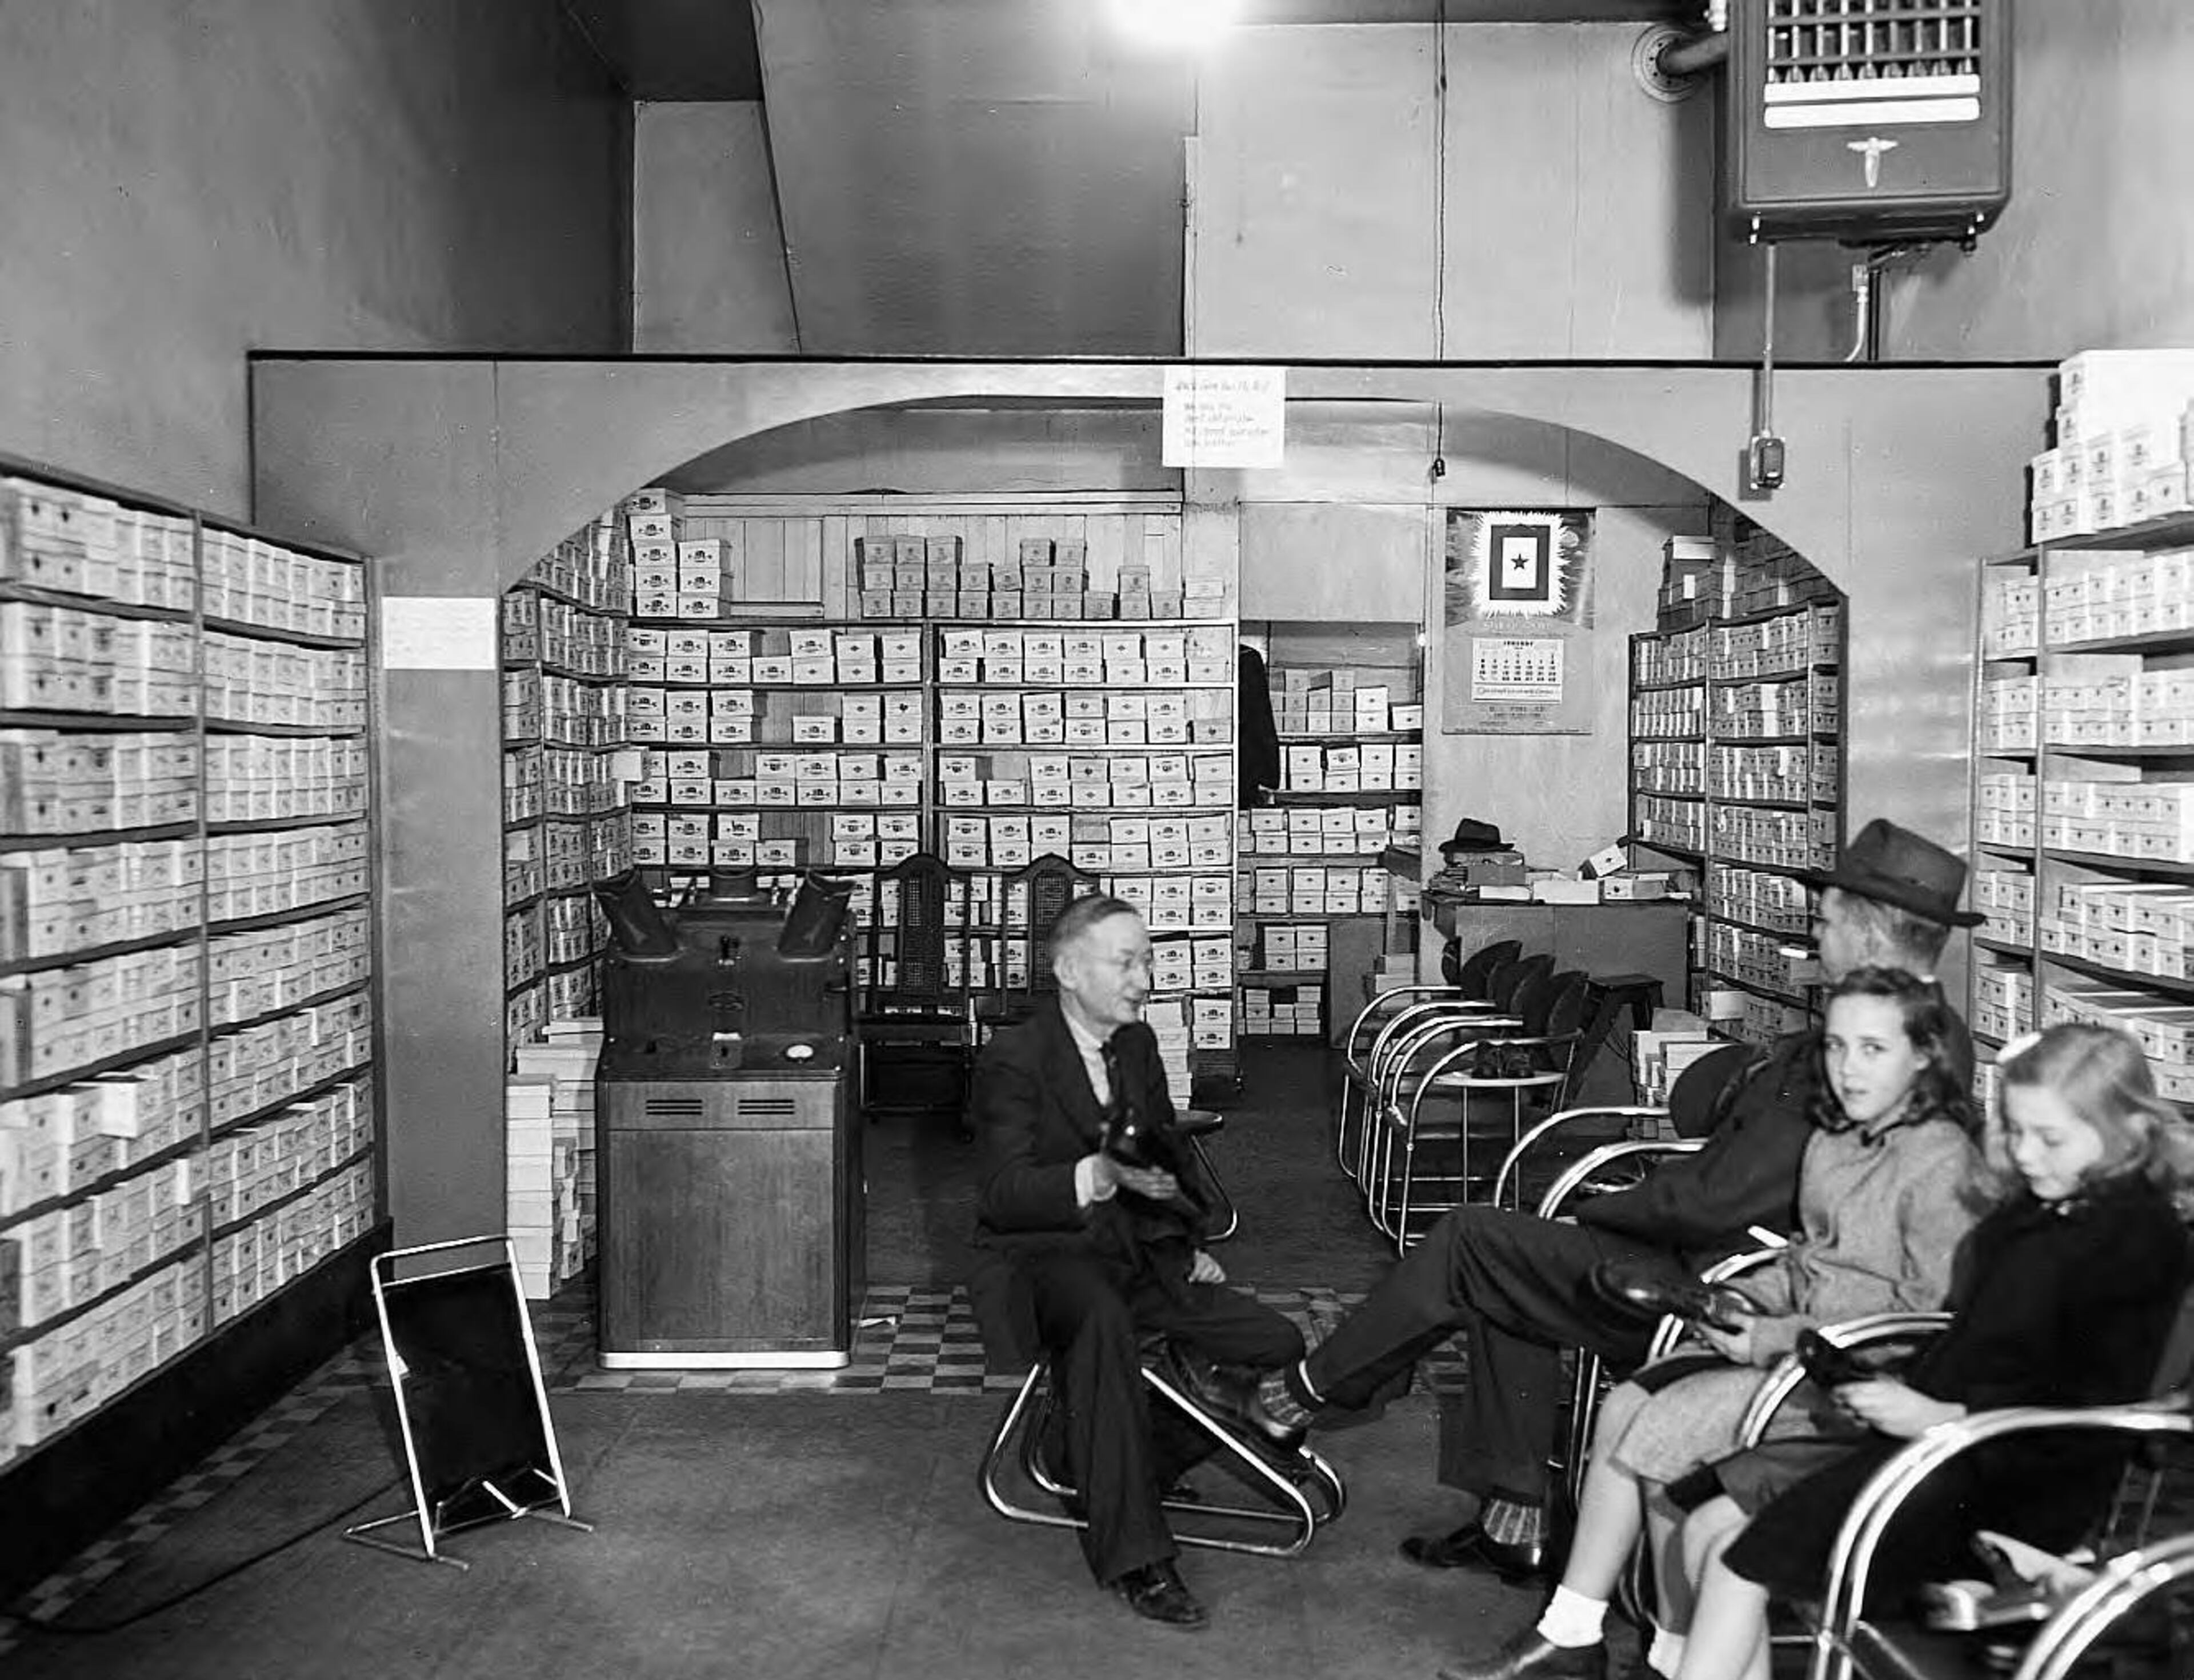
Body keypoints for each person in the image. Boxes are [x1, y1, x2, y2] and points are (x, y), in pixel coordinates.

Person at [1193, 819, 1981, 1583]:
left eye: (1831, 920)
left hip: (1711, 1285)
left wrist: (1599, 1209)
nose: (1818, 936)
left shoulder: (1862, 1053)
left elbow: (1722, 1197)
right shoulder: (1909, 1033)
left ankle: (1296, 1396)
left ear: (1874, 932)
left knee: (1475, 1240)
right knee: (1499, 1264)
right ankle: (1513, 1519)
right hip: (1728, 1261)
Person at [1441, 966, 1987, 1680]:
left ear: (1923, 1057)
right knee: (1628, 1404)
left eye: (1874, 1051)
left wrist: (1770, 1335)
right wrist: (1738, 1298)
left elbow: (1926, 1318)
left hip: (1862, 1381)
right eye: (1837, 1047)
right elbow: (1812, 1261)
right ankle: (1580, 1629)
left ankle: (1662, 1653)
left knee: (1661, 1429)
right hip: (1799, 1350)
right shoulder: (1838, 1140)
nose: (1849, 1070)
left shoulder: (1941, 1163)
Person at [1663, 1022, 2194, 1680]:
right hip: (1943, 1447)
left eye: (2050, 1138)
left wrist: (1938, 1414)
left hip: (2014, 1478)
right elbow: (1980, 1339)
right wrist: (1894, 1391)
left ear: (2127, 1130)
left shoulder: (2138, 1239)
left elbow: (2083, 1396)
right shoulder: (2041, 1210)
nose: (2026, 1155)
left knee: (1733, 1560)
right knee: (1709, 1531)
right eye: (2016, 1131)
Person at [970, 894, 1304, 1631]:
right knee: (1100, 1321)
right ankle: (1136, 1558)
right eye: (1126, 962)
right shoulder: (1013, 1059)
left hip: (1134, 1252)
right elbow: (1001, 1194)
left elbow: (1161, 1159)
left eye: (1147, 960)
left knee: (1276, 1346)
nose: (1143, 979)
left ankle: (1131, 1471)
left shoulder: (1139, 1046)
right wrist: (1092, 1176)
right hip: (1041, 1260)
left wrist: (1187, 1248)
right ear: (1066, 969)